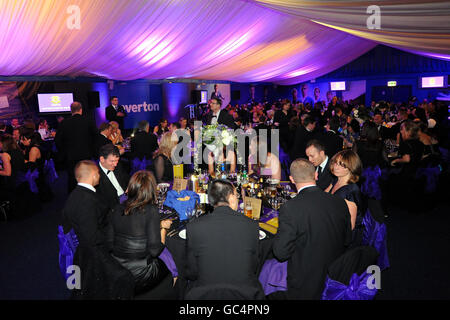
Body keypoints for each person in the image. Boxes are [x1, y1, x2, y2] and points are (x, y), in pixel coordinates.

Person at [272, 159, 351, 299]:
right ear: (315, 175)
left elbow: (281, 253)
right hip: (337, 274)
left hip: (305, 282)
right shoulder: (339, 202)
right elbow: (347, 239)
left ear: (291, 179)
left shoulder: (290, 208)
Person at [62, 160, 134, 299]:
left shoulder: (77, 194)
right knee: (125, 278)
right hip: (93, 253)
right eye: (98, 173)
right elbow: (92, 238)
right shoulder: (85, 201)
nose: (99, 176)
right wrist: (118, 238)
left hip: (88, 247)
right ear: (94, 175)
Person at [185, 179, 265, 299]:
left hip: (204, 294)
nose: (237, 198)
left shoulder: (194, 226)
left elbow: (192, 272)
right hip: (246, 294)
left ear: (211, 200)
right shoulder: (251, 225)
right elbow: (253, 267)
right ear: (231, 197)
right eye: (236, 195)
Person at [106, 170, 175, 297]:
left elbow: (109, 244)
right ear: (151, 189)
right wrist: (163, 230)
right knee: (173, 266)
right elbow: (155, 250)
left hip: (117, 269)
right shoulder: (151, 211)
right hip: (141, 274)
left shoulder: (116, 209)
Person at [55, 102, 97, 192]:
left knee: (72, 177)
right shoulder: (88, 120)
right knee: (87, 174)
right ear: (81, 109)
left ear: (71, 110)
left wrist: (64, 152)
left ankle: (73, 198)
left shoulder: (64, 123)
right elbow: (95, 137)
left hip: (70, 156)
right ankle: (88, 195)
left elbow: (58, 140)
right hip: (86, 154)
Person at [325, 150, 363, 232]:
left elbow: (350, 226)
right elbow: (323, 196)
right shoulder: (336, 180)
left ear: (351, 168)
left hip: (343, 234)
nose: (336, 167)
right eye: (336, 163)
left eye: (343, 165)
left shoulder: (351, 191)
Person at [96, 144, 129, 214]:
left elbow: (126, 180)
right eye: (112, 161)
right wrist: (123, 198)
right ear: (102, 159)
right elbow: (104, 203)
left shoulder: (118, 165)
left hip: (127, 199)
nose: (115, 164)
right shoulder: (95, 175)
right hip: (113, 209)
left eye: (117, 161)